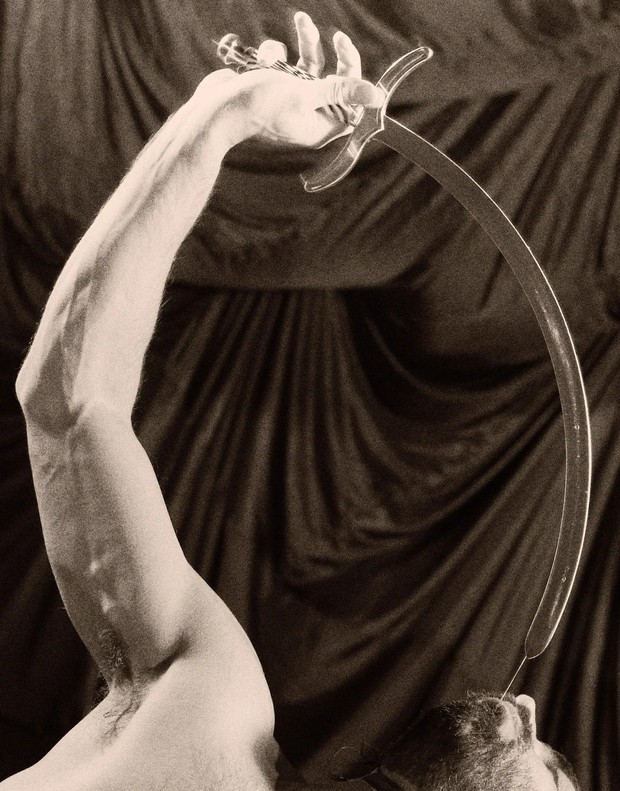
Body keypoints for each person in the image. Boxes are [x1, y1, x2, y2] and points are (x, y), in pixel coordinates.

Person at [6, 10, 579, 791]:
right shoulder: (215, 710)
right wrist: (223, 115)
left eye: (556, 777)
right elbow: (72, 405)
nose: (532, 710)